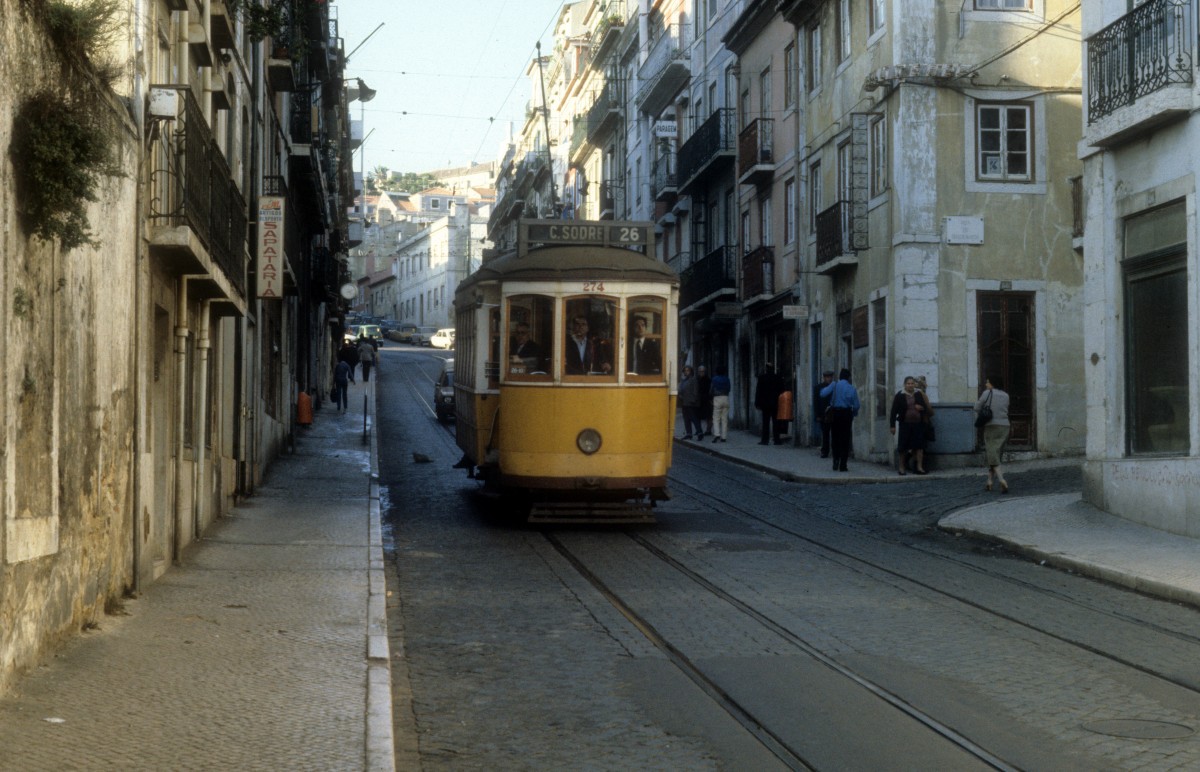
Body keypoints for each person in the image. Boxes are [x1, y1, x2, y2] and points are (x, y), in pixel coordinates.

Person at [975, 376, 1012, 493]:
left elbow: (976, 407)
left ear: (992, 383)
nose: (986, 384)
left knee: (992, 453)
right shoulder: (1006, 395)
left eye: (988, 382)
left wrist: (985, 411)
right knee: (996, 453)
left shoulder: (987, 393)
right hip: (1005, 426)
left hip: (992, 426)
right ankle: (989, 481)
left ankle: (1002, 480)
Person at [889, 376, 931, 475]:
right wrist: (892, 425)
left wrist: (920, 407)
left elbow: (925, 407)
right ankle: (901, 468)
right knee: (903, 447)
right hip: (905, 424)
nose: (910, 385)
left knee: (919, 446)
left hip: (918, 424)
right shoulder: (900, 395)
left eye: (912, 383)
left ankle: (919, 467)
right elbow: (893, 411)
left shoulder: (918, 394)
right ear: (905, 384)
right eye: (908, 383)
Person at [820, 368, 860, 472]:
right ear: (848, 378)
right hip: (846, 414)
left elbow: (822, 393)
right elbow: (856, 405)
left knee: (835, 438)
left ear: (840, 377)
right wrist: (854, 414)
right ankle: (843, 465)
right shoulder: (852, 388)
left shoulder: (834, 385)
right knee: (845, 439)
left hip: (835, 414)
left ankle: (835, 460)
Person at [754, 363, 785, 445]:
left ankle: (765, 440)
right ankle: (777, 439)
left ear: (766, 369)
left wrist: (757, 403)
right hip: (775, 403)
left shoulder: (762, 378)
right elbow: (782, 390)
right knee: (776, 422)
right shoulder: (777, 378)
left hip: (765, 404)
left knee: (765, 422)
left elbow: (758, 391)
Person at [813, 370, 834, 458]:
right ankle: (825, 451)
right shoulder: (818, 387)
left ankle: (833, 451)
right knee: (825, 434)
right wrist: (817, 415)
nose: (829, 379)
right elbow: (816, 402)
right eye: (827, 377)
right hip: (823, 414)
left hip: (833, 414)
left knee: (833, 433)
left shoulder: (834, 387)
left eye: (830, 377)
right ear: (824, 377)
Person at [709, 365, 731, 443]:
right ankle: (724, 437)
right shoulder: (727, 379)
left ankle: (717, 434)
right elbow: (729, 388)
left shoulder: (714, 379)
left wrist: (711, 397)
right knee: (724, 419)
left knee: (716, 418)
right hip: (725, 397)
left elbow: (711, 390)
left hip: (717, 398)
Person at [678, 365, 701, 439]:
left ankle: (699, 432)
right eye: (685, 371)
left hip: (691, 402)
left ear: (691, 372)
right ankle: (689, 433)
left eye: (688, 370)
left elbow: (695, 391)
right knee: (686, 418)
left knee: (693, 417)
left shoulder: (693, 380)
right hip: (684, 401)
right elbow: (680, 389)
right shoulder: (683, 380)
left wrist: (694, 399)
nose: (686, 372)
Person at [696, 365, 712, 438]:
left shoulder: (708, 380)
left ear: (705, 372)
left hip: (707, 400)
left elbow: (710, 390)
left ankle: (708, 430)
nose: (701, 373)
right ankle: (699, 430)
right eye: (700, 371)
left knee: (709, 416)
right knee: (698, 416)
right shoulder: (696, 379)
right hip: (699, 400)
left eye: (702, 371)